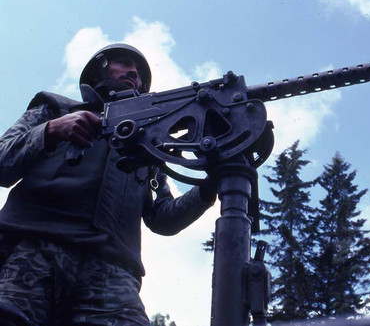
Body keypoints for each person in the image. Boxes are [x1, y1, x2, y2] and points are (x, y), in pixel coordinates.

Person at [0, 44, 217, 325]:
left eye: (139, 73)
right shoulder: (54, 109)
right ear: (98, 72)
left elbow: (162, 218)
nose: (134, 73)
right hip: (32, 251)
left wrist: (208, 188)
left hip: (112, 272)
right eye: (124, 63)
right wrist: (51, 131)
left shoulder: (145, 147)